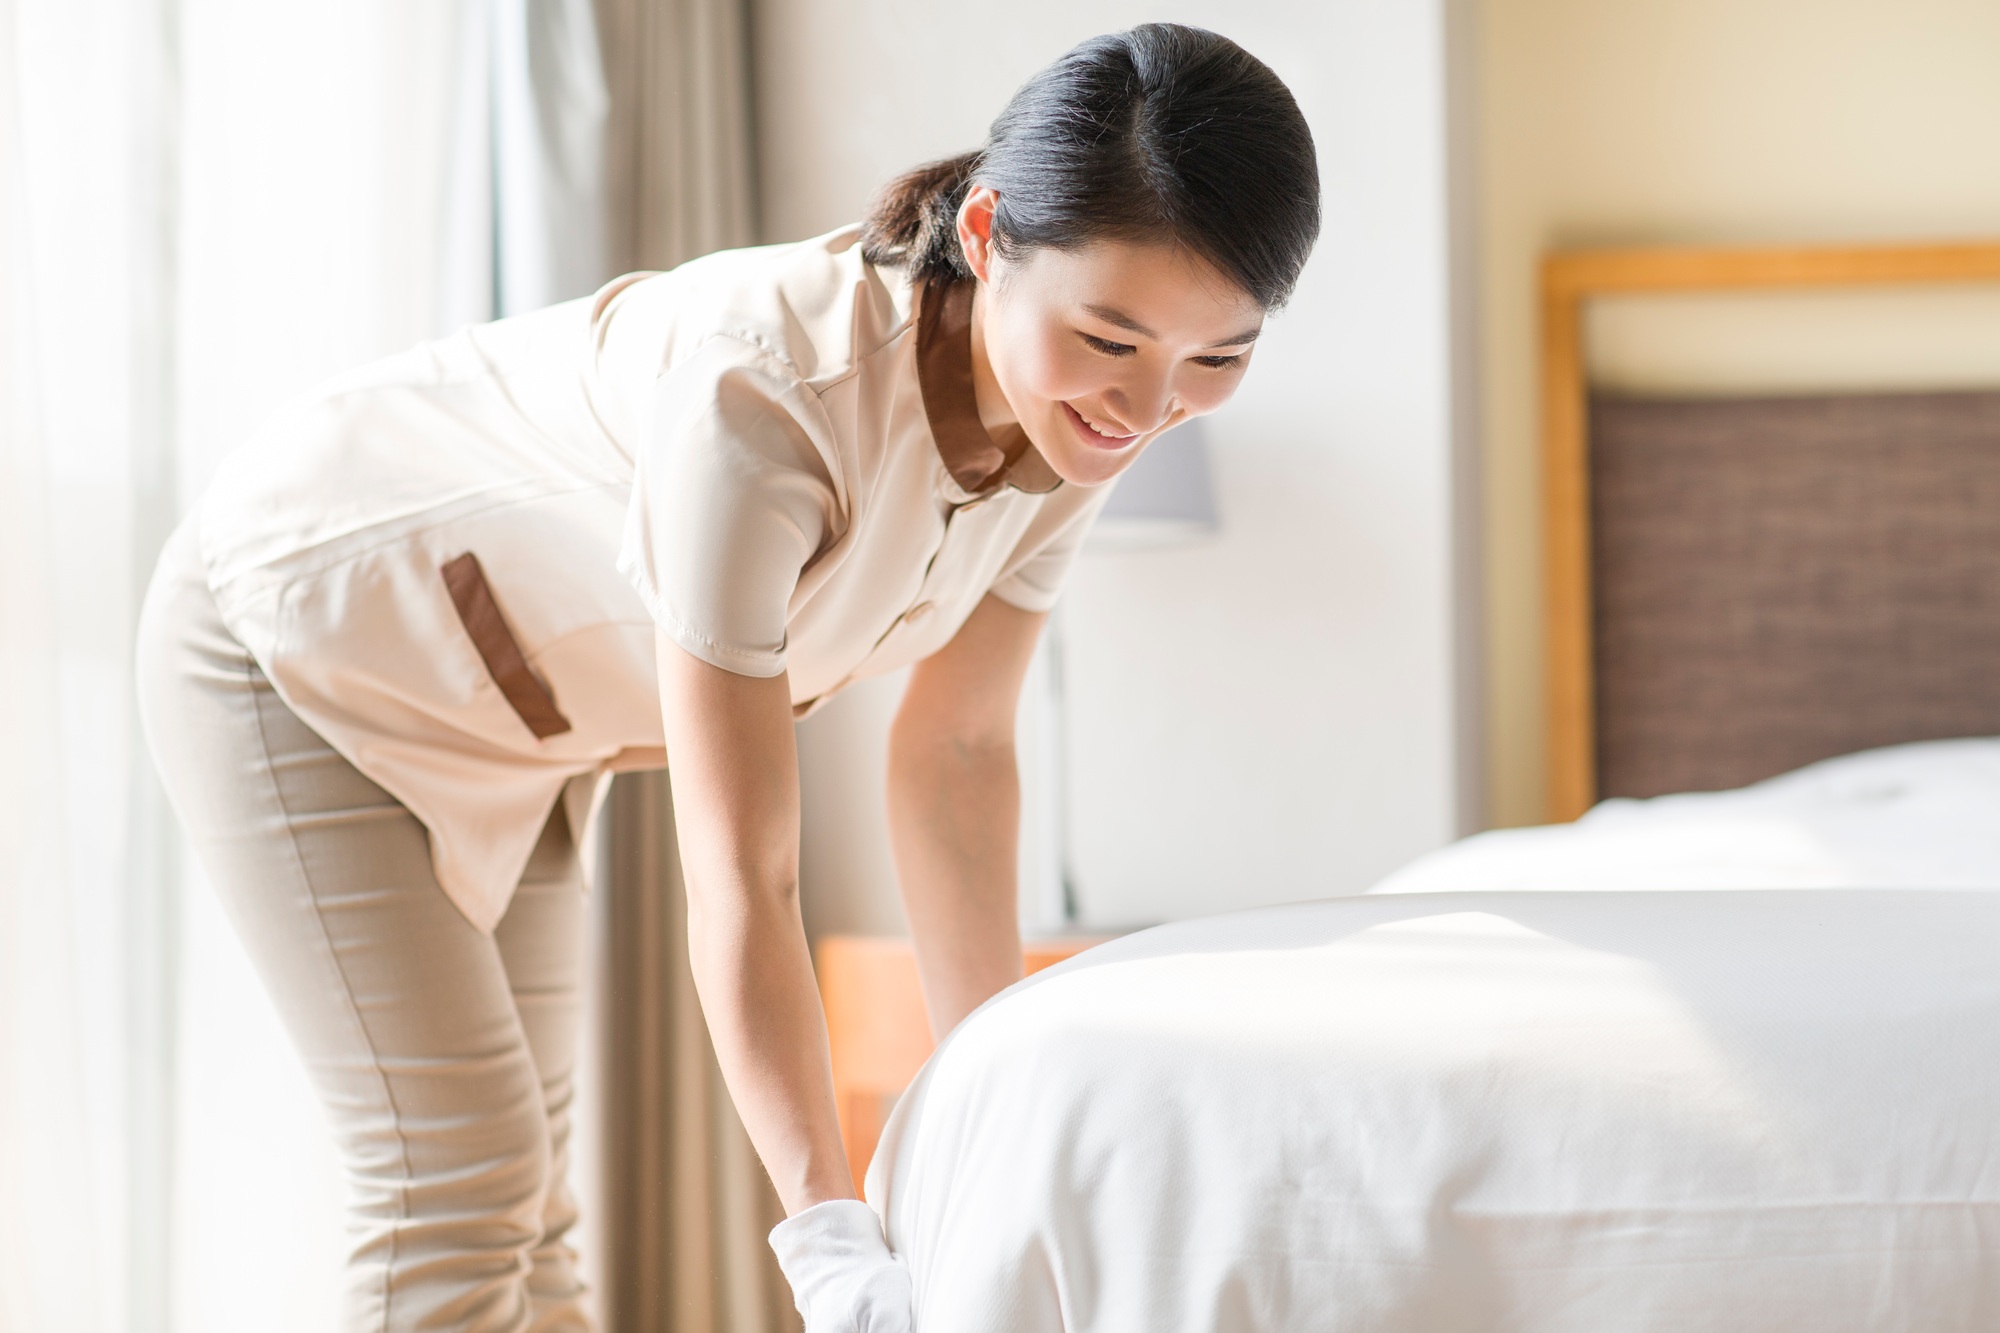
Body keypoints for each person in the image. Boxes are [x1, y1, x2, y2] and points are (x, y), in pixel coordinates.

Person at [135, 20, 1319, 1333]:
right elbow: (744, 868)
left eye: (1217, 357)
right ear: (986, 237)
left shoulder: (1068, 427)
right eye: (1112, 338)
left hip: (518, 725)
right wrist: (825, 1231)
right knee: (456, 1191)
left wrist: (1003, 1102)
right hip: (296, 640)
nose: (1150, 406)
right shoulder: (765, 398)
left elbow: (960, 751)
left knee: (535, 1219)